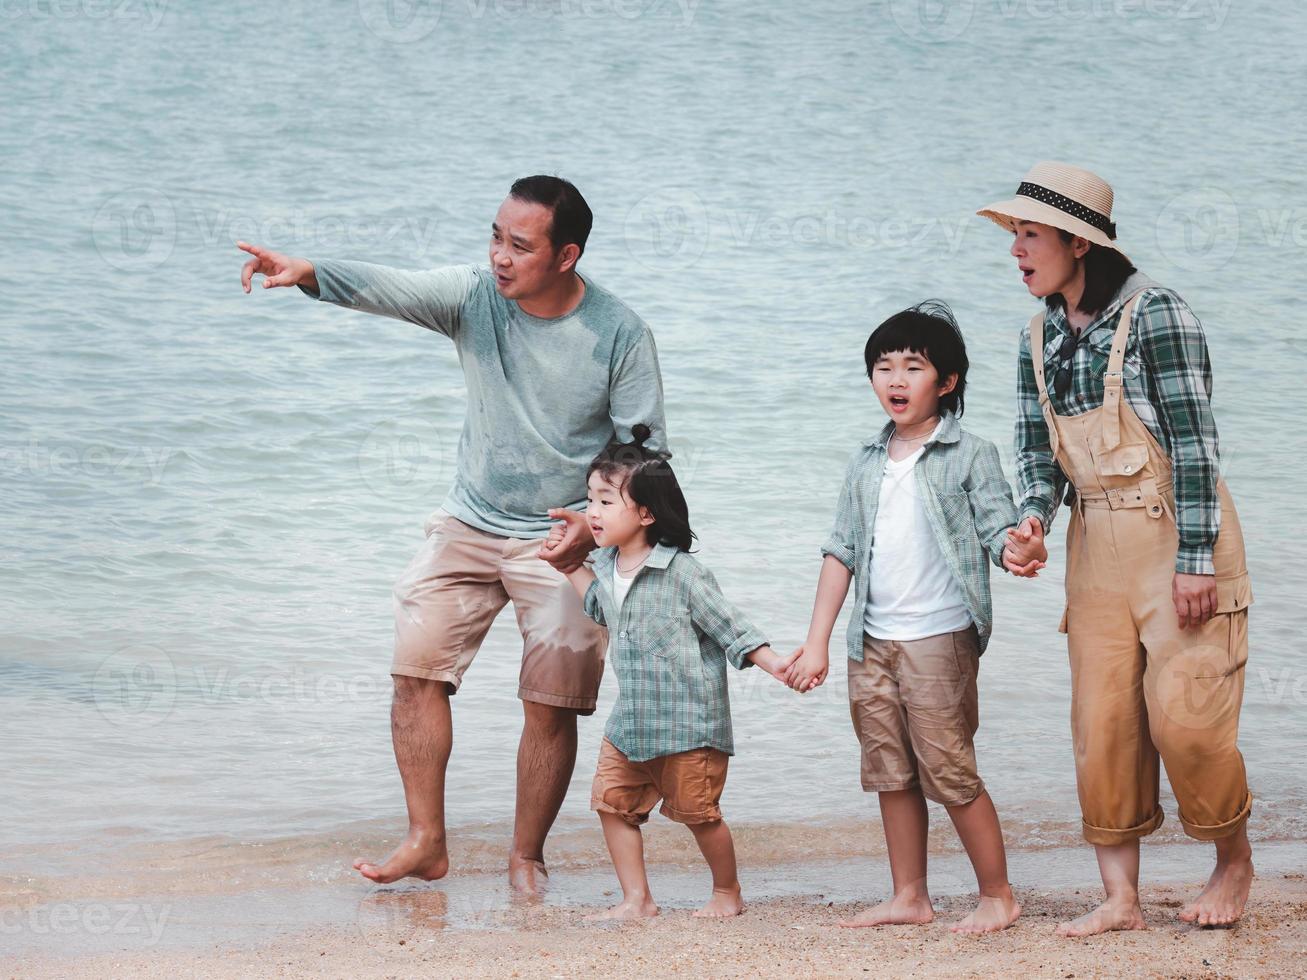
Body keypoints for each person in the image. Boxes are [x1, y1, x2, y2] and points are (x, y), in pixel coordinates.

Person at [237, 176, 667, 894]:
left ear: (565, 256)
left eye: (519, 245)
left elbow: (645, 457)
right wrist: (310, 272)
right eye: (495, 236)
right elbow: (393, 286)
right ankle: (426, 841)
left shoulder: (619, 334)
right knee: (413, 676)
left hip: (563, 531)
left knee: (551, 701)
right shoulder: (475, 298)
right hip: (468, 520)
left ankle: (524, 856)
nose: (500, 256)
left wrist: (592, 534)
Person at [984, 161, 1254, 933]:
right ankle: (1121, 900)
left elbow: (1196, 448)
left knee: (1186, 721)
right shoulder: (1036, 334)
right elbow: (1035, 449)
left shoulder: (1158, 315)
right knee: (1101, 727)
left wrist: (1195, 559)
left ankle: (1231, 861)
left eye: (1026, 235)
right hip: (1092, 546)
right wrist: (1032, 519)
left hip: (1175, 533)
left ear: (1075, 242)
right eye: (1014, 236)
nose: (1015, 251)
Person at [785, 302, 1036, 934]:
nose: (894, 380)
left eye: (913, 367)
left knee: (950, 771)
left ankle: (998, 894)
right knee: (890, 772)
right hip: (870, 641)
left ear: (946, 382)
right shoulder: (865, 462)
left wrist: (1020, 548)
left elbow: (997, 528)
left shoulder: (970, 454)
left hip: (939, 639)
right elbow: (841, 550)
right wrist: (817, 642)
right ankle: (909, 895)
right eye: (882, 366)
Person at [545, 425, 806, 919]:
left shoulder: (683, 573)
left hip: (688, 724)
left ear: (645, 513)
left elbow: (731, 626)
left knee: (699, 815)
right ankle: (637, 899)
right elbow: (600, 609)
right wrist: (569, 565)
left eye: (604, 501)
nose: (591, 513)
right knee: (611, 804)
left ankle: (727, 892)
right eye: (589, 500)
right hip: (631, 724)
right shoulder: (606, 566)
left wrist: (776, 666)